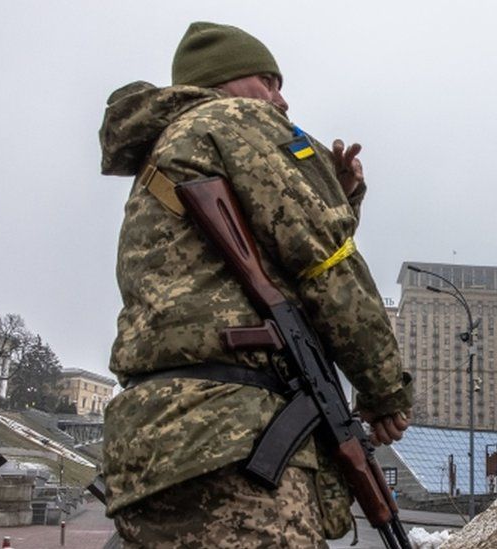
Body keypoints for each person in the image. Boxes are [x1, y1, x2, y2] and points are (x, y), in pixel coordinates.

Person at [98, 22, 413, 548]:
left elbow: (261, 256)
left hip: (155, 448)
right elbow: (325, 264)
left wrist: (340, 195)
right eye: (269, 81)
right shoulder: (235, 118)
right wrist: (385, 392)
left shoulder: (164, 149)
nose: (281, 101)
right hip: (237, 441)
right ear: (224, 80)